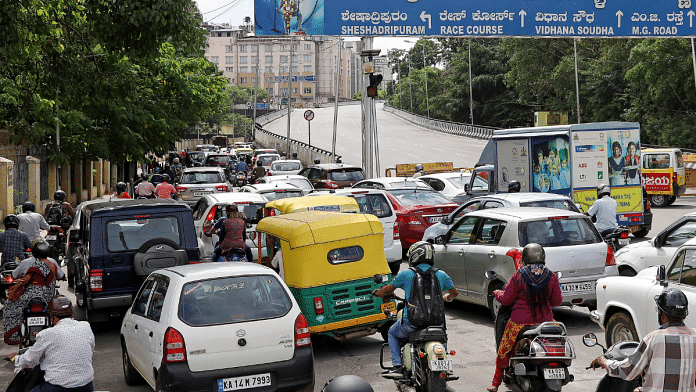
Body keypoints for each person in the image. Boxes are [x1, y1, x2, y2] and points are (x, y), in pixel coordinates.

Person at [373, 241, 459, 378]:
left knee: (392, 333)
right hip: (436, 323)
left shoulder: (406, 274)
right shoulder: (442, 274)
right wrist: (446, 297)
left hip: (412, 323)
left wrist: (378, 293)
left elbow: (386, 290)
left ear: (415, 255)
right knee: (442, 335)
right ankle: (445, 366)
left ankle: (398, 366)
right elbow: (454, 294)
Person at [488, 243, 562, 392]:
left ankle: (495, 384)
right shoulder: (551, 276)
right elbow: (557, 301)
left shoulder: (519, 275)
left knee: (504, 349)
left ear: (524, 258)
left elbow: (507, 299)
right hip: (545, 322)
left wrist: (497, 293)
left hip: (520, 323)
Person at [590, 287, 696, 392]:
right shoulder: (694, 336)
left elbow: (628, 371)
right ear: (684, 315)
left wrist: (605, 362)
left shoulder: (653, 338)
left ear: (661, 314)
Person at [10, 295, 95, 392]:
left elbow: (30, 360)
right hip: (86, 386)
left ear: (52, 317)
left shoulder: (47, 334)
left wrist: (15, 359)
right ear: (72, 314)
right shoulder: (85, 326)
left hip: (58, 388)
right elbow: (90, 349)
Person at [3, 241, 61, 345]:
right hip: (48, 297)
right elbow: (61, 276)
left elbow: (25, 279)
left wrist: (20, 283)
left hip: (31, 297)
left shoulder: (35, 265)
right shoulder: (53, 264)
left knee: (9, 305)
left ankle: (15, 334)